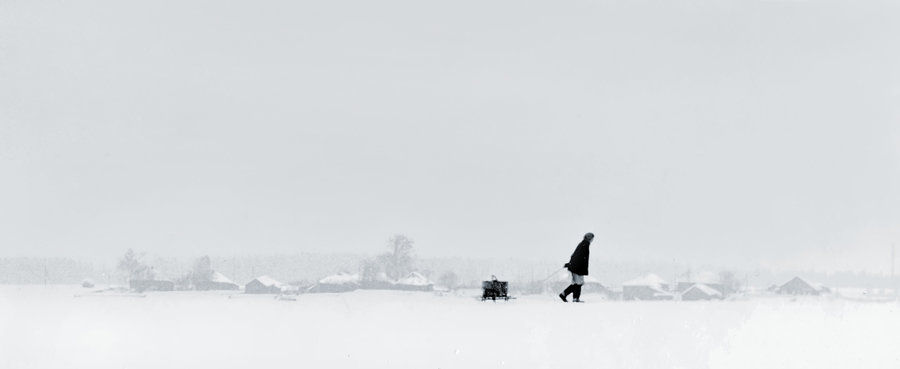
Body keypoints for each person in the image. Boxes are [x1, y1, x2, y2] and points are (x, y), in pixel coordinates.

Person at [559, 232, 593, 302]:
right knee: (578, 283)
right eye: (592, 238)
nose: (592, 240)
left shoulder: (583, 244)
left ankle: (566, 295)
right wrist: (571, 264)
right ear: (589, 238)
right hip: (578, 268)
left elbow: (574, 256)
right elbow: (578, 257)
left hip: (577, 267)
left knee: (577, 283)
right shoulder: (584, 245)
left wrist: (570, 264)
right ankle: (574, 298)